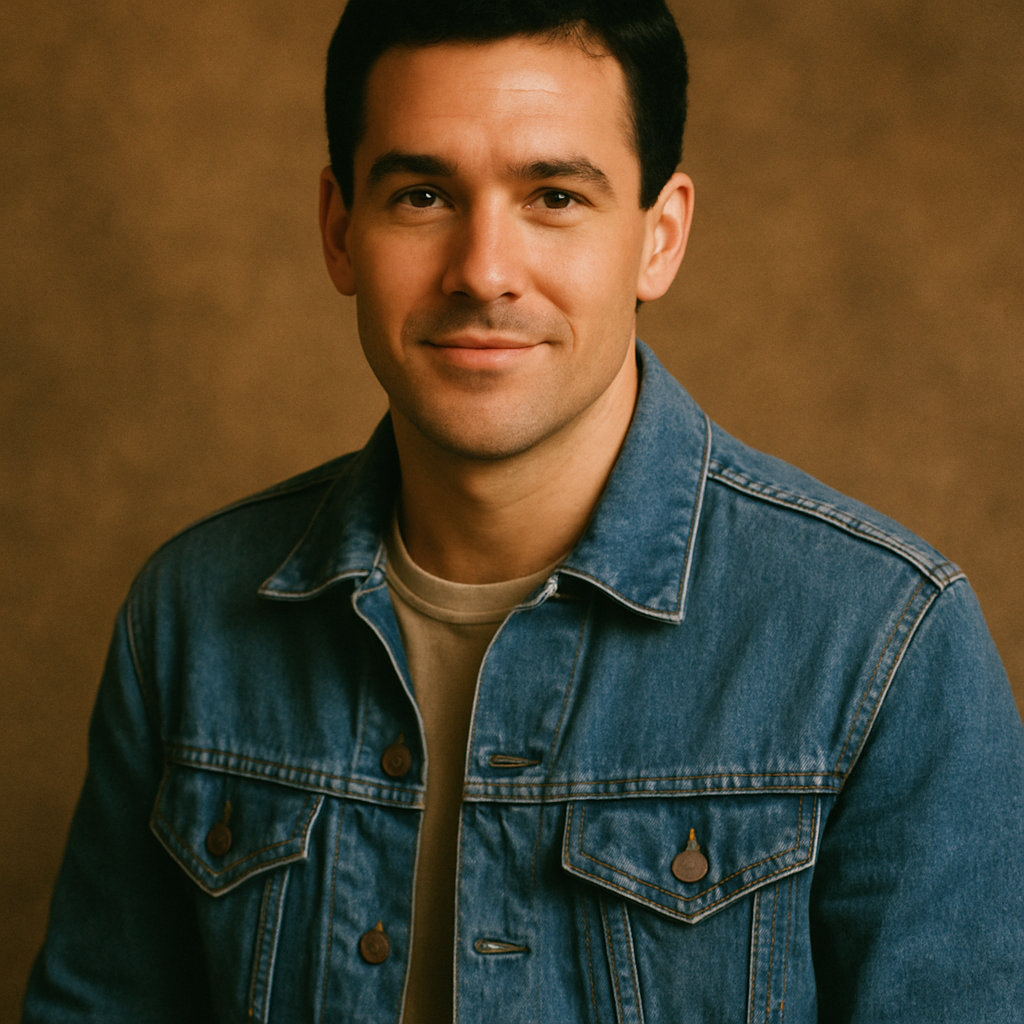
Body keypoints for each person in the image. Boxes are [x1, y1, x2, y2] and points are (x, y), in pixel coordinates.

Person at [23, 0, 1024, 1020]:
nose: (483, 272)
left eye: (553, 196)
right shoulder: (188, 614)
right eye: (421, 195)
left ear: (660, 237)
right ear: (338, 229)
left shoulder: (883, 642)